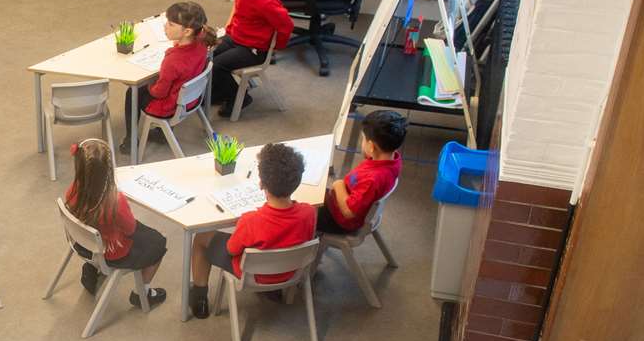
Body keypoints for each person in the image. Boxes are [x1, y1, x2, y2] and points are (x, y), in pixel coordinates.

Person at [189, 141, 317, 317]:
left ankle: (199, 298)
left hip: (253, 275)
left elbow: (231, 249)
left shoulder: (251, 221)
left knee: (201, 238)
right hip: (291, 272)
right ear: (297, 181)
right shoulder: (309, 213)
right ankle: (273, 289)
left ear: (261, 183)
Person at [64, 137, 166, 308]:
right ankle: (143, 293)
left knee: (143, 233)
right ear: (109, 170)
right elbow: (131, 229)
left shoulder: (74, 189)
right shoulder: (115, 201)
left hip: (82, 243)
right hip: (112, 251)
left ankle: (91, 268)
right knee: (158, 242)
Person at [211, 0, 294, 117]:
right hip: (236, 37)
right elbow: (238, 9)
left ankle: (240, 98)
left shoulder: (265, 2)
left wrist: (276, 47)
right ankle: (221, 91)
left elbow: (286, 25)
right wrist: (229, 29)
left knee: (218, 65)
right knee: (208, 55)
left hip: (254, 49)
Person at [121, 1, 212, 150]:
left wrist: (151, 85)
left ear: (187, 31)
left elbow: (159, 92)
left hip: (169, 106)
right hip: (191, 99)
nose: (165, 27)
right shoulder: (202, 42)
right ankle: (157, 133)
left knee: (133, 92)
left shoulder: (173, 60)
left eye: (170, 24)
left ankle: (130, 141)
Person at [319, 110, 406, 234]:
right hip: (346, 198)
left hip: (339, 220)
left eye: (363, 139)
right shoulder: (392, 157)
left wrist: (338, 185)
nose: (362, 142)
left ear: (371, 146)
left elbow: (349, 212)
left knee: (305, 211)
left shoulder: (372, 180)